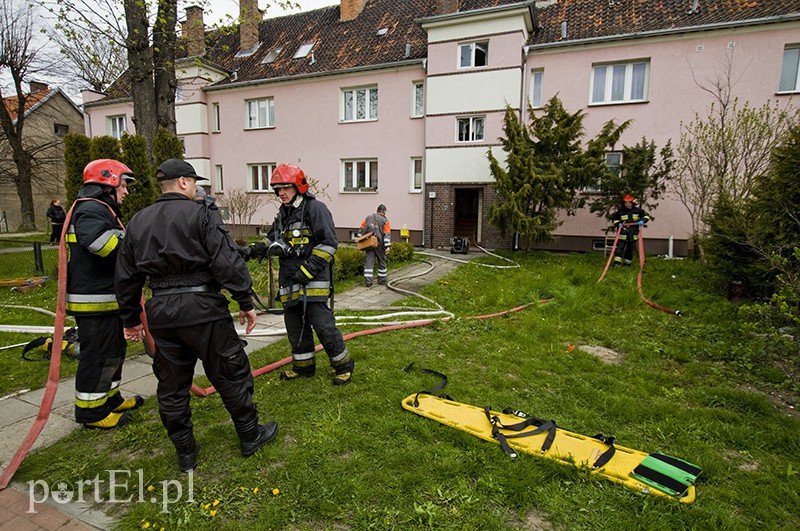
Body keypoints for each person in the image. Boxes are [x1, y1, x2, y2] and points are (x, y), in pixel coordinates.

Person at [115, 158, 278, 472]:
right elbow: (226, 262)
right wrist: (244, 300)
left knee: (172, 386)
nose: (197, 189)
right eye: (195, 183)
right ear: (184, 183)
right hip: (203, 310)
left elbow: (125, 275)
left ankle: (185, 453)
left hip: (162, 314)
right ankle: (250, 435)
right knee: (230, 373)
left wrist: (131, 319)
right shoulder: (202, 213)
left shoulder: (138, 221)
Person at [66, 159, 143, 429]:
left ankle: (110, 399)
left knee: (113, 351)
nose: (127, 191)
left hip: (106, 300)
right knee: (97, 355)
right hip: (93, 302)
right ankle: (91, 413)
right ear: (109, 182)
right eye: (124, 185)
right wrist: (134, 244)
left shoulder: (101, 209)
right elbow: (100, 243)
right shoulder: (91, 210)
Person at [261, 163, 354, 385]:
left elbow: (329, 244)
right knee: (295, 327)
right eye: (278, 189)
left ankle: (343, 366)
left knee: (323, 326)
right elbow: (271, 238)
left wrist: (308, 270)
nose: (281, 193)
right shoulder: (283, 213)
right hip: (290, 282)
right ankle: (303, 367)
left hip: (313, 282)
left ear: (299, 186)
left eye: (286, 188)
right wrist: (251, 250)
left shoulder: (315, 209)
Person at [611, 194, 650, 266]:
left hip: (633, 233)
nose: (627, 204)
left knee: (629, 250)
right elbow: (615, 219)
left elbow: (646, 216)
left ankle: (627, 264)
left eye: (629, 203)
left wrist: (643, 221)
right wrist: (618, 224)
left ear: (632, 203)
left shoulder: (638, 210)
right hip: (622, 233)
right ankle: (617, 263)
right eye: (626, 203)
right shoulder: (621, 211)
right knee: (619, 249)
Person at [358, 204, 392, 287]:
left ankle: (368, 281)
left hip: (369, 243)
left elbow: (361, 229)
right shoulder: (385, 221)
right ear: (384, 211)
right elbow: (387, 234)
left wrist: (360, 241)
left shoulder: (368, 218)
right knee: (382, 261)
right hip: (380, 245)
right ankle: (382, 279)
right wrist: (387, 247)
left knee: (369, 262)